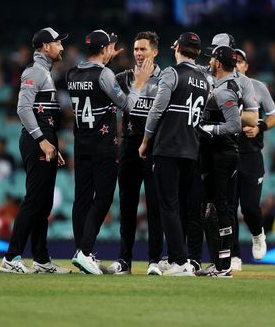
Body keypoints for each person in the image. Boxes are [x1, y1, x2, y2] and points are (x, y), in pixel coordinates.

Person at [67, 30, 153, 275]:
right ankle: (85, 253)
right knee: (103, 198)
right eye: (110, 48)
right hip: (103, 145)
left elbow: (94, 83)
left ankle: (80, 252)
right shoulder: (104, 74)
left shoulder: (73, 72)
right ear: (104, 49)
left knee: (81, 199)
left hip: (80, 143)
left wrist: (105, 59)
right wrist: (139, 83)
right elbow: (127, 104)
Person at [0, 27, 71, 274]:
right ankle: (11, 257)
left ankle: (40, 259)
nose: (61, 47)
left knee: (44, 203)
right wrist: (41, 139)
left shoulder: (44, 73)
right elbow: (22, 108)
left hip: (44, 140)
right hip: (35, 140)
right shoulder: (34, 72)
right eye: (58, 43)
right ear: (44, 47)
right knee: (34, 200)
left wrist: (51, 141)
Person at [139, 32, 209, 277]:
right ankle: (182, 257)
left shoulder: (171, 73)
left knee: (168, 205)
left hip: (168, 148)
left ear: (177, 47)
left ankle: (179, 262)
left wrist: (146, 140)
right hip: (191, 149)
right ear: (198, 52)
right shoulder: (205, 79)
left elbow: (157, 110)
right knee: (179, 207)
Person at [107, 31, 163, 276]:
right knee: (127, 206)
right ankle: (124, 260)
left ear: (155, 52)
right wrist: (105, 59)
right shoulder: (123, 78)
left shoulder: (167, 79)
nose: (139, 54)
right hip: (129, 146)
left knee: (155, 207)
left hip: (155, 149)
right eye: (136, 49)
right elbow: (102, 82)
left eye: (143, 49)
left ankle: (154, 261)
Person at [231, 48, 275, 271]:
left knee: (249, 207)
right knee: (227, 208)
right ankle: (233, 255)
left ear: (246, 66)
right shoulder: (219, 85)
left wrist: (260, 126)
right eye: (232, 61)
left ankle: (257, 233)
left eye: (240, 61)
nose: (236, 65)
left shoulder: (257, 87)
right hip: (226, 153)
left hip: (251, 155)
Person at [194, 45, 242, 278]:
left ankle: (225, 266)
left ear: (219, 63)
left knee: (221, 207)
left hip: (223, 154)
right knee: (210, 207)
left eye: (212, 59)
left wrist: (208, 128)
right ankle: (218, 263)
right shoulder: (223, 85)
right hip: (215, 153)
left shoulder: (225, 91)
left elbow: (235, 125)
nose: (209, 62)